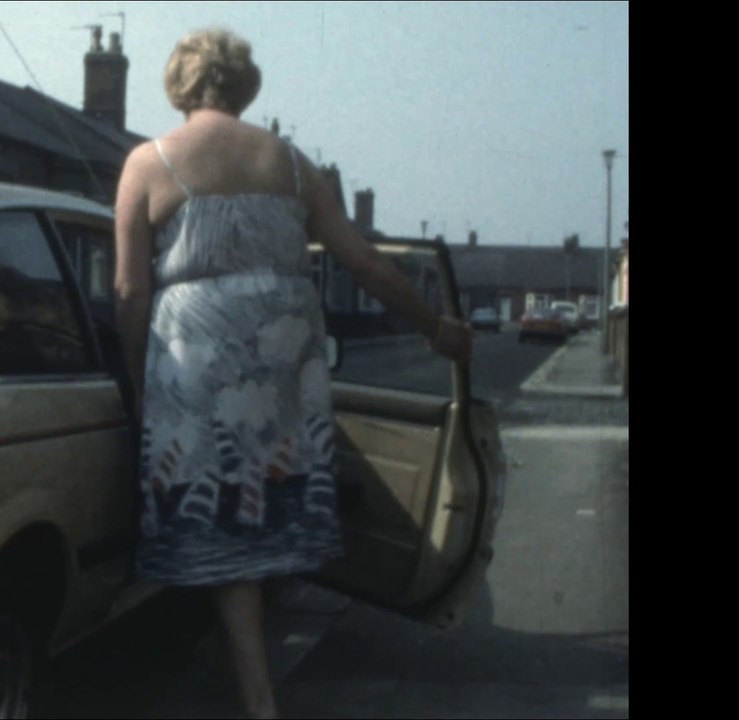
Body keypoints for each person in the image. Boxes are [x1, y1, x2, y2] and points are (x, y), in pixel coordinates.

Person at [113, 28, 472, 719]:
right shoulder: (293, 165)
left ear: (179, 85)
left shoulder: (146, 164)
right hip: (283, 358)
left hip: (196, 360)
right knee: (261, 506)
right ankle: (234, 655)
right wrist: (434, 326)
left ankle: (257, 697)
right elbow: (363, 262)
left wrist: (134, 377)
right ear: (245, 87)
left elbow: (130, 290)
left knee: (217, 518)